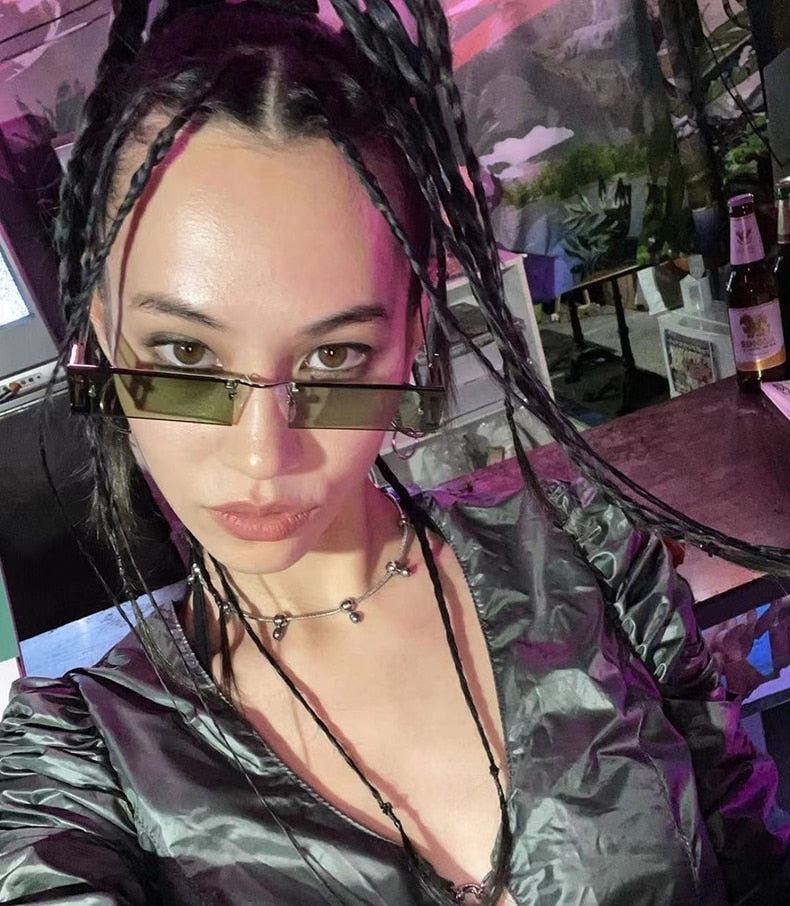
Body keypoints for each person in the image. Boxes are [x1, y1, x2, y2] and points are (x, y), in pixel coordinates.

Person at [1, 1, 789, 903]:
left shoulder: (590, 563)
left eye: (335, 358)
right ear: (99, 332)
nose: (263, 454)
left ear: (412, 336)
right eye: (185, 354)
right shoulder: (83, 772)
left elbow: (750, 856)